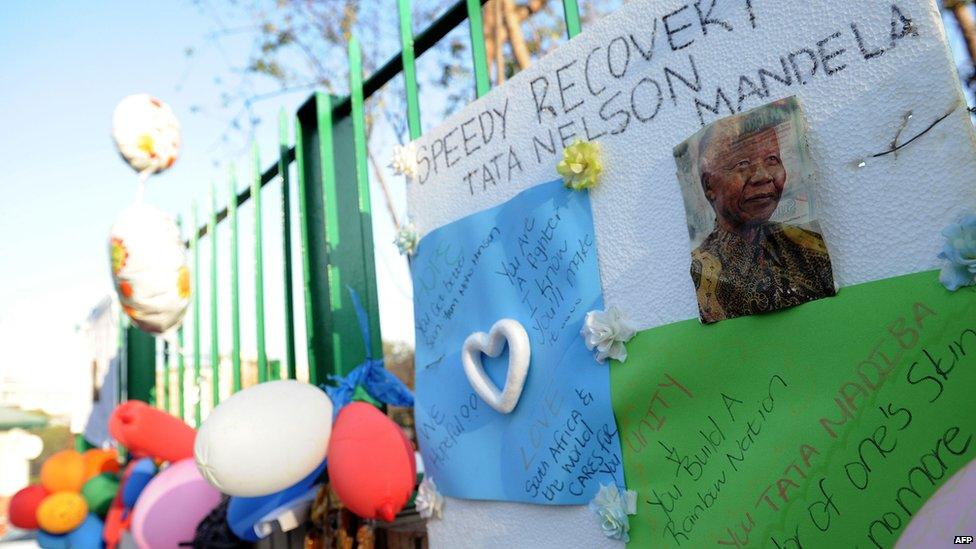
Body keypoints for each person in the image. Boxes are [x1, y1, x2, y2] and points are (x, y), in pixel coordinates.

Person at [690, 115, 835, 323]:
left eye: (772, 160)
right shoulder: (704, 271)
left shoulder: (810, 247)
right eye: (742, 163)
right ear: (709, 185)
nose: (763, 176)